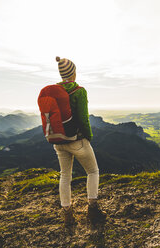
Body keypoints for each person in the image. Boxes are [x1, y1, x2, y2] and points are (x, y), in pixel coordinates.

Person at [53, 56, 107, 227]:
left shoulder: (54, 91)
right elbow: (83, 118)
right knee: (92, 171)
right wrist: (88, 137)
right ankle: (92, 210)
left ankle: (67, 215)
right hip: (77, 140)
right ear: (73, 73)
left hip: (58, 141)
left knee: (65, 175)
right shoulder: (79, 91)